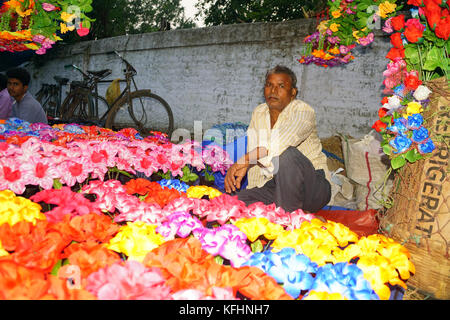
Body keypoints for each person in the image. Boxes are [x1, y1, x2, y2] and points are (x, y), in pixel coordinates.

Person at [224, 65, 331, 213]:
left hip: (312, 188)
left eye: (281, 86)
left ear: (293, 92)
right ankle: (293, 214)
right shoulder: (259, 112)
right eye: (269, 85)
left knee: (287, 155)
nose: (273, 91)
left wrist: (246, 159)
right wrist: (253, 188)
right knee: (232, 204)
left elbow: (280, 143)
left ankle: (291, 220)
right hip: (275, 186)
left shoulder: (302, 110)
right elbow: (255, 154)